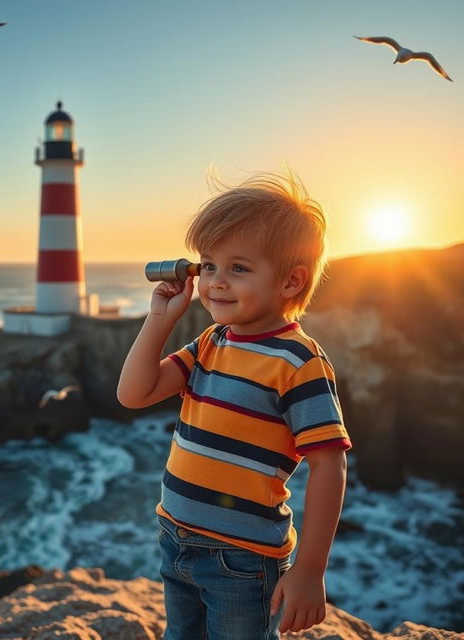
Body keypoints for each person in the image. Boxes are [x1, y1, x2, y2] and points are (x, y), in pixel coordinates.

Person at [117, 172, 351, 640]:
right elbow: (134, 393)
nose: (215, 282)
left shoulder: (298, 361)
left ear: (290, 281)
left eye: (238, 269)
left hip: (242, 558)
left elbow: (330, 465)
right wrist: (160, 320)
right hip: (175, 539)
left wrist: (309, 571)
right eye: (208, 266)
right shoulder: (211, 341)